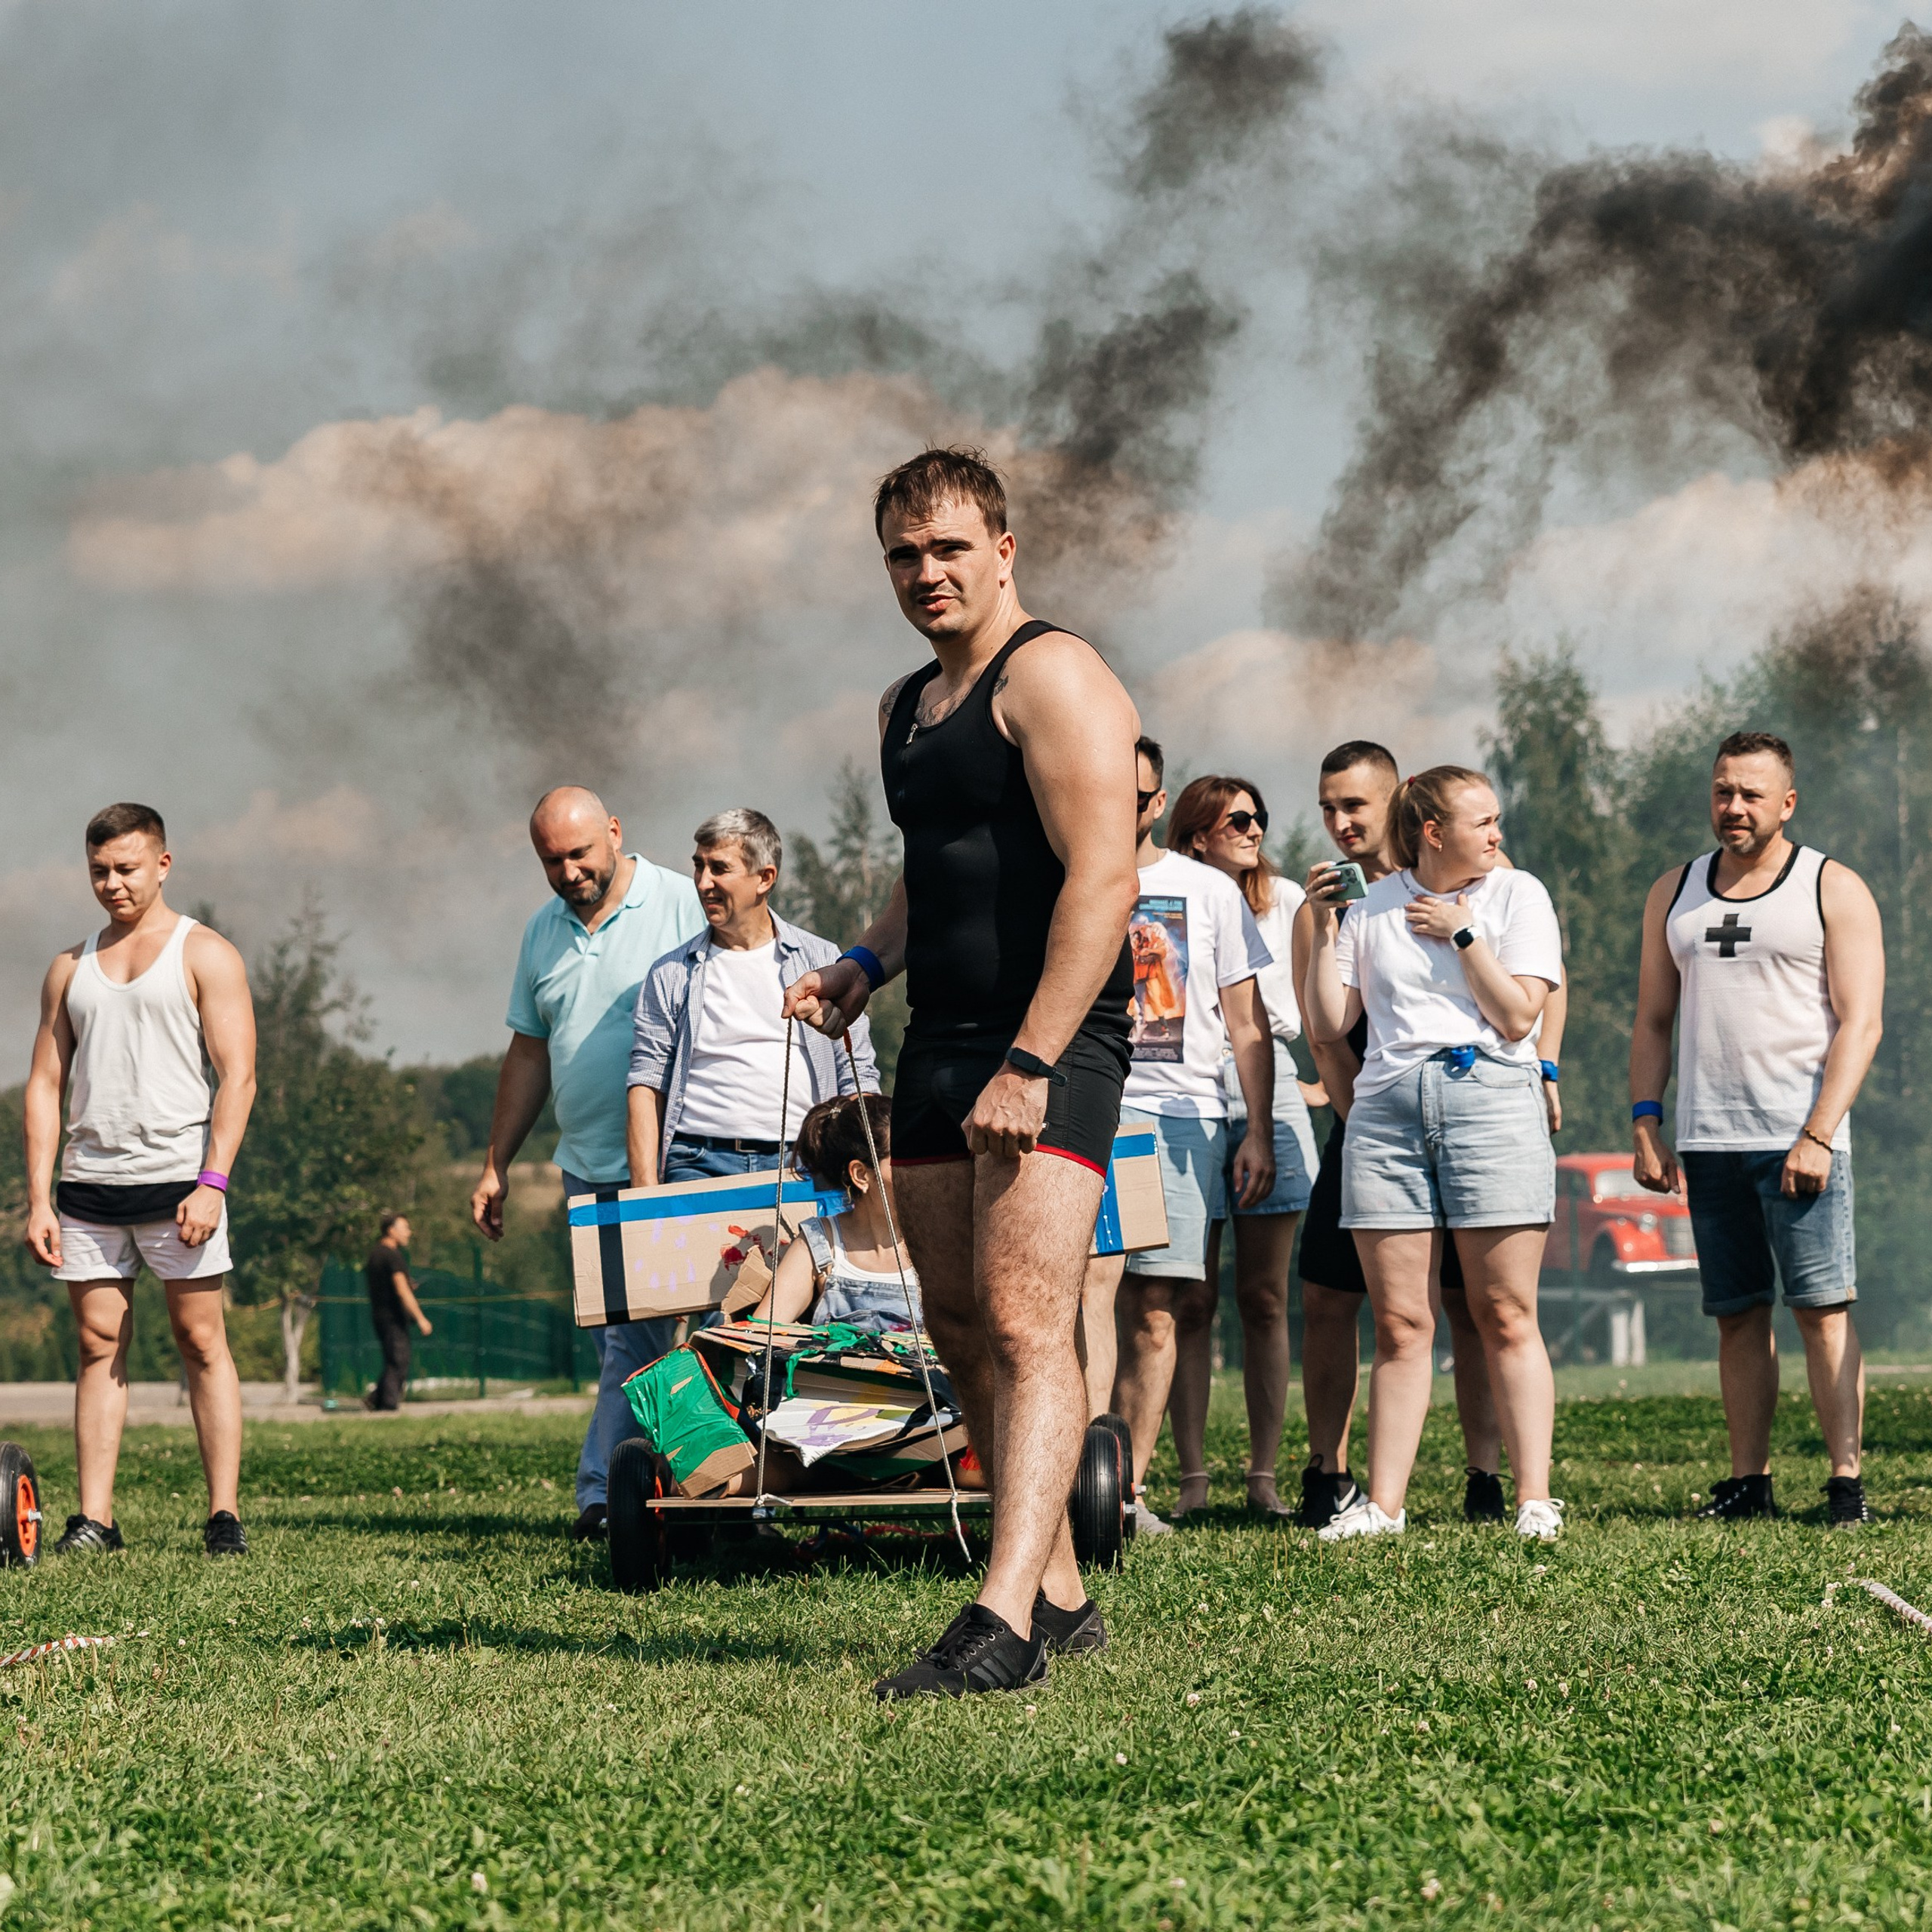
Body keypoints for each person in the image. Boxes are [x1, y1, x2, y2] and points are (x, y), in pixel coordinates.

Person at [784, 445, 1140, 1698]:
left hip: (1052, 1041)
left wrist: (1036, 1059)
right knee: (954, 1320)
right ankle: (1063, 1595)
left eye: (949, 549)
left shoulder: (1055, 675)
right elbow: (930, 869)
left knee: (1032, 1320)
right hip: (935, 1040)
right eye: (903, 554)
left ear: (1004, 550)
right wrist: (864, 964)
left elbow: (1104, 879)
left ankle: (1000, 1624)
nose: (927, 573)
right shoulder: (904, 708)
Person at [1290, 743, 1561, 1527]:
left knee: (1505, 1311)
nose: (1494, 834)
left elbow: (1517, 1016)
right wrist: (1321, 918)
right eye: (1483, 822)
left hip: (1490, 1100)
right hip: (1386, 1114)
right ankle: (1383, 1504)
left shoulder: (1517, 896)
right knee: (1404, 1324)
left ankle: (1535, 1499)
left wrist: (1463, 933)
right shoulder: (1369, 906)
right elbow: (1328, 1022)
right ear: (1433, 831)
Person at [1630, 731, 1884, 1527]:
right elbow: (1651, 1019)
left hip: (1800, 1137)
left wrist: (1817, 1132)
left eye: (1749, 793)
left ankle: (1845, 1487)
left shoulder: (1830, 887)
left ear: (1787, 802)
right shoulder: (1674, 891)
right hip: (1708, 1140)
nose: (1732, 806)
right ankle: (1750, 1483)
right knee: (1736, 1313)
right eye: (1721, 791)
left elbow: (1861, 1023)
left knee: (1821, 1310)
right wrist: (1645, 1119)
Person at [21, 803, 257, 1557]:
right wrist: (37, 1198)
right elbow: (42, 1085)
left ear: (162, 864)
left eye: (126, 868)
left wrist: (213, 1181)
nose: (112, 883)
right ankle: (96, 1521)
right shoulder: (69, 966)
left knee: (199, 1340)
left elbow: (240, 1076)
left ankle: (224, 1516)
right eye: (99, 870)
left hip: (178, 1184)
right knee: (98, 1345)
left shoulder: (206, 953)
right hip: (88, 1187)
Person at [469, 786, 704, 1543]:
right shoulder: (542, 932)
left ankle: (618, 1493)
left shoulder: (680, 902)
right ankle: (631, 1492)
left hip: (686, 1159)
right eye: (552, 860)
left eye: (581, 853)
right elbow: (530, 1050)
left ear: (614, 832)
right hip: (588, 1166)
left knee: (698, 1331)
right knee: (626, 1339)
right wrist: (496, 1161)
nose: (570, 871)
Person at [1107, 749, 1275, 1532]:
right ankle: (1056, 1481)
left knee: (1154, 1305)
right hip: (1080, 1109)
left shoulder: (1207, 891)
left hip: (1179, 1116)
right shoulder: (1062, 877)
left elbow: (1247, 1024)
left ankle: (1122, 1496)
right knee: (1070, 1305)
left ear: (1158, 799)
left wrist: (1258, 1132)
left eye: (1132, 793)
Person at [1161, 774, 1326, 1521]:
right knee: (1189, 1299)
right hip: (1190, 1093)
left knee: (1263, 1297)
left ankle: (1263, 1476)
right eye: (1235, 819)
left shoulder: (1286, 898)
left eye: (1258, 816)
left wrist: (1319, 1084)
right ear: (1196, 833)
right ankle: (1192, 1480)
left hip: (1271, 1083)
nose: (1252, 829)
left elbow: (1301, 1006)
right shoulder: (1171, 899)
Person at [627, 809, 877, 1191]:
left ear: (765, 878)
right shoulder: (670, 973)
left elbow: (857, 1069)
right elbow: (646, 1084)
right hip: (697, 1163)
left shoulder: (822, 961)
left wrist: (862, 1164)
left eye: (719, 868)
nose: (703, 882)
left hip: (804, 1160)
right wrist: (645, 1194)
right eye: (699, 867)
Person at [755, 1095, 921, 1331]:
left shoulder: (942, 1247)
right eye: (906, 1159)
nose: (924, 1172)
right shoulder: (821, 1244)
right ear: (861, 1175)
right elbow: (759, 1337)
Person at [364, 1213, 432, 1412]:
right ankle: (387, 1406)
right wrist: (421, 1318)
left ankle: (375, 1399)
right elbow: (402, 1290)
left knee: (394, 1359)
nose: (409, 1233)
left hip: (380, 1315)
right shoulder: (392, 1256)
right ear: (391, 1231)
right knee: (398, 1360)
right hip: (393, 1317)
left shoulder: (375, 1254)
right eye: (405, 1229)